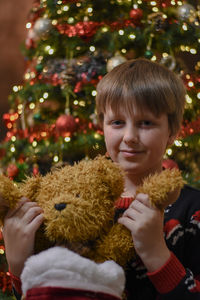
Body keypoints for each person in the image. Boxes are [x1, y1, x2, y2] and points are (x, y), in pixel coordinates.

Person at [2, 58, 200, 300]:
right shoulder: (68, 200)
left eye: (146, 123)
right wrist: (18, 264)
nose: (129, 137)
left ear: (172, 131)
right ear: (102, 125)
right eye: (117, 122)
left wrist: (156, 252)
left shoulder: (193, 211)